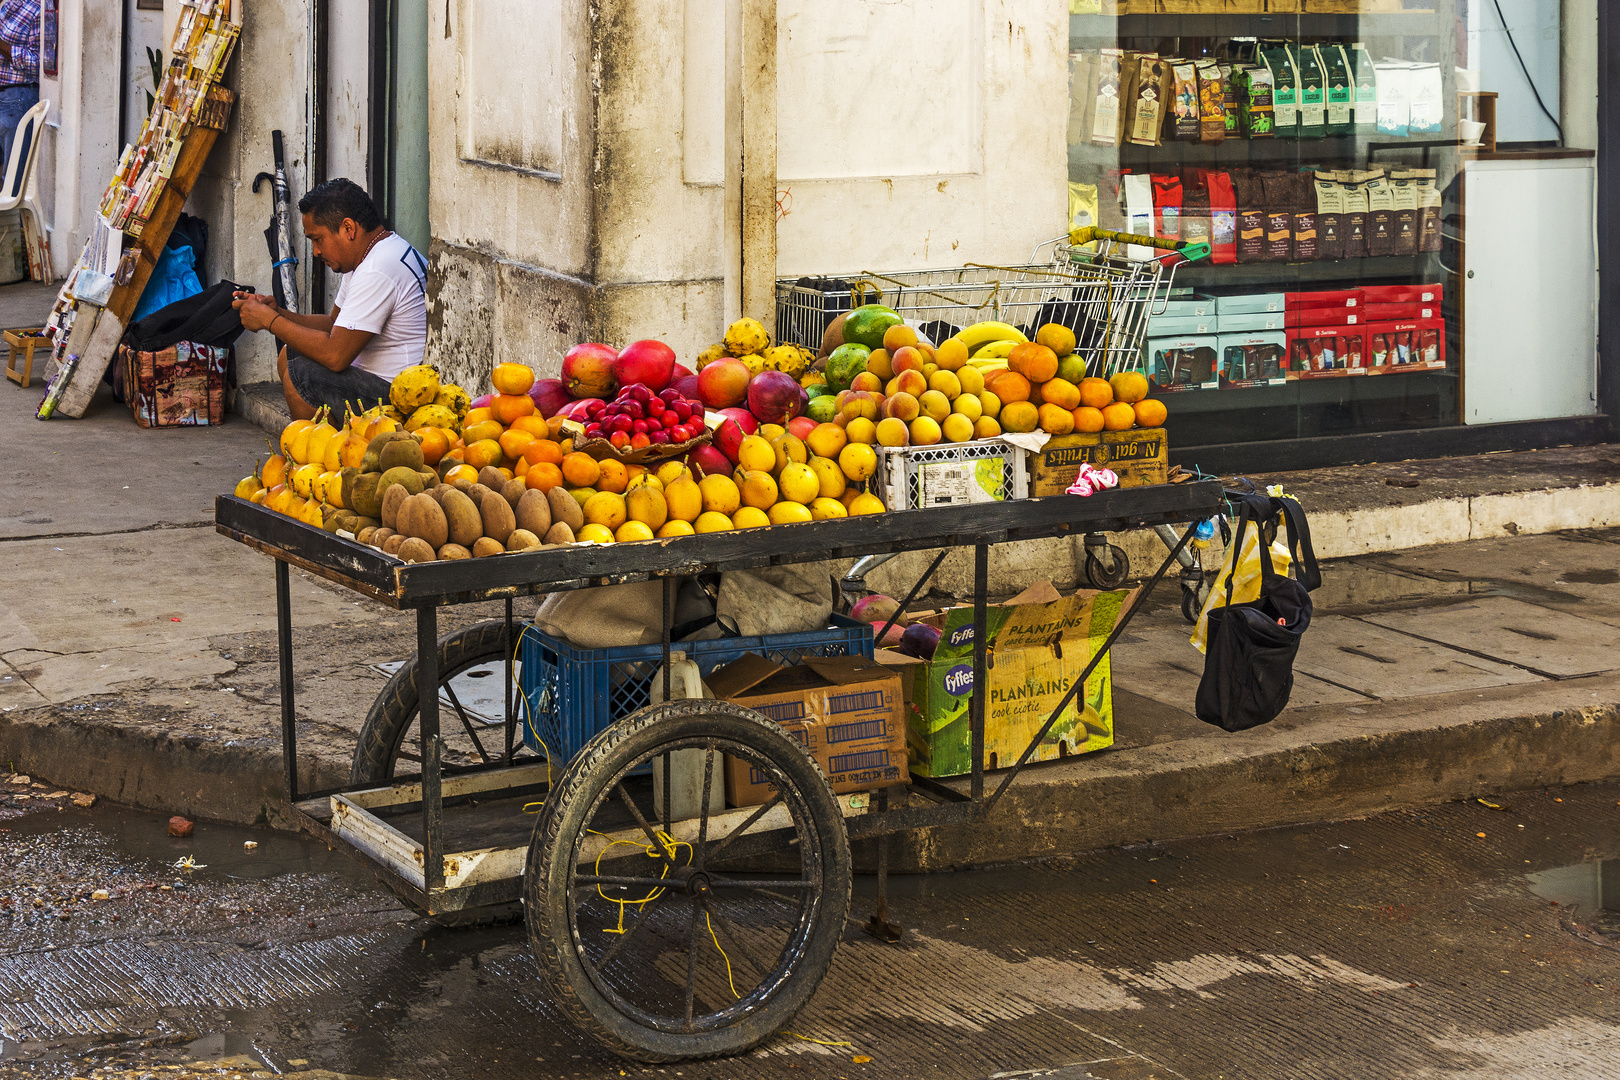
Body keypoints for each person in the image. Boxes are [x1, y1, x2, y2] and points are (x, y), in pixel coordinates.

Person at [234, 178, 427, 420]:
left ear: (348, 228)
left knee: (300, 372)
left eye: (318, 239)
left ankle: (313, 452)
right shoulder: (371, 255)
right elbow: (334, 324)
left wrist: (270, 321)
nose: (315, 251)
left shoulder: (378, 269)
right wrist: (277, 313)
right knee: (289, 354)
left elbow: (335, 356)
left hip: (398, 400)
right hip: (377, 386)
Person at [0, 0, 40, 170]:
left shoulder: (37, 9)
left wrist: (3, 47)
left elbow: (38, 64)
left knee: (12, 176)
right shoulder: (8, 4)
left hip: (17, 98)